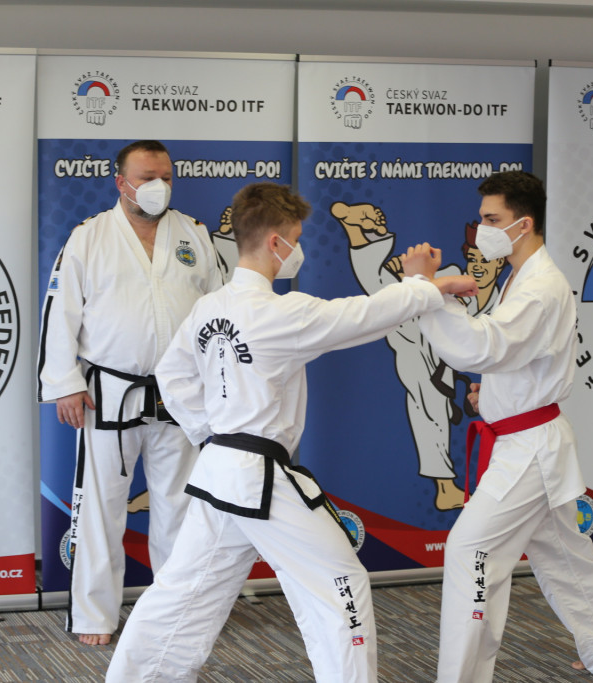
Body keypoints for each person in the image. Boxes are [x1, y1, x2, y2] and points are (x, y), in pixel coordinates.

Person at [105, 183, 477, 683]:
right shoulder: (279, 313)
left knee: (185, 591)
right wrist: (422, 286)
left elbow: (172, 377)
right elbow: (361, 317)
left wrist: (212, 431)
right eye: (296, 239)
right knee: (340, 582)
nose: (297, 250)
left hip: (220, 470)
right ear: (276, 242)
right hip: (257, 477)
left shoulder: (210, 307)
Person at [413, 171, 593, 682]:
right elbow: (517, 358)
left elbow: (483, 347)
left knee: (470, 549)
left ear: (524, 224)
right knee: (563, 554)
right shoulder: (518, 278)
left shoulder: (540, 287)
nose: (482, 229)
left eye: (492, 219)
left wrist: (425, 291)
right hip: (523, 438)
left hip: (530, 448)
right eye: (481, 219)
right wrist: (494, 397)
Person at [37, 139, 224, 645]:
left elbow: (218, 309)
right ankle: (94, 617)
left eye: (166, 176)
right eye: (147, 177)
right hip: (107, 392)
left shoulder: (194, 234)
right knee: (100, 508)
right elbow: (60, 312)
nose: (159, 185)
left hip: (180, 392)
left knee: (180, 507)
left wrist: (218, 382)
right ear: (121, 182)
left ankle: (176, 616)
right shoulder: (89, 236)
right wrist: (65, 383)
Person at [331, 202, 506, 510]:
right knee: (428, 395)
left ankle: (359, 236)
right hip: (417, 341)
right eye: (473, 259)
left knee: (388, 297)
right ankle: (445, 488)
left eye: (486, 261)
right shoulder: (452, 275)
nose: (477, 266)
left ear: (501, 264)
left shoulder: (502, 300)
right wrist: (411, 278)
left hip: (439, 355)